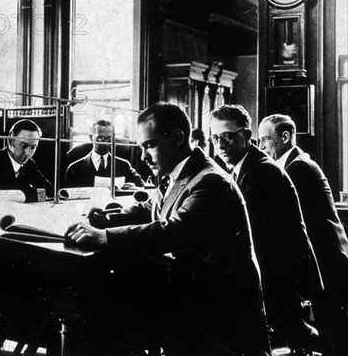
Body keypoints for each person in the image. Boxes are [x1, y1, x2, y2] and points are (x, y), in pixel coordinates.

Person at [66, 103, 269, 356]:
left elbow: (174, 231)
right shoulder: (180, 173)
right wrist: (105, 218)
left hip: (219, 308)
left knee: (107, 307)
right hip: (194, 292)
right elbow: (150, 209)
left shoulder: (210, 181)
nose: (143, 157)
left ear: (176, 138)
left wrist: (103, 237)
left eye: (149, 145)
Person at [210, 104, 321, 352]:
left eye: (227, 136)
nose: (220, 144)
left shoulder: (260, 171)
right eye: (215, 137)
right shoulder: (247, 167)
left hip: (281, 274)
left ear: (247, 136)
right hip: (276, 267)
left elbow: (244, 229)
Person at [259, 114, 348, 356]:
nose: (262, 146)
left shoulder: (298, 169)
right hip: (326, 260)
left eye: (265, 139)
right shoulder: (296, 164)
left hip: (326, 262)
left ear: (285, 137)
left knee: (333, 333)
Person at [0, 119, 52, 203]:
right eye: (24, 146)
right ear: (10, 141)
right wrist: (33, 193)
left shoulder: (30, 164)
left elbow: (50, 191)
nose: (27, 153)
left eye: (33, 147)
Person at [64, 120, 144, 188]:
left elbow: (140, 186)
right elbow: (67, 196)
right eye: (100, 138)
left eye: (108, 139)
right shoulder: (74, 168)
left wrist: (133, 187)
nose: (104, 143)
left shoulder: (124, 165)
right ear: (91, 137)